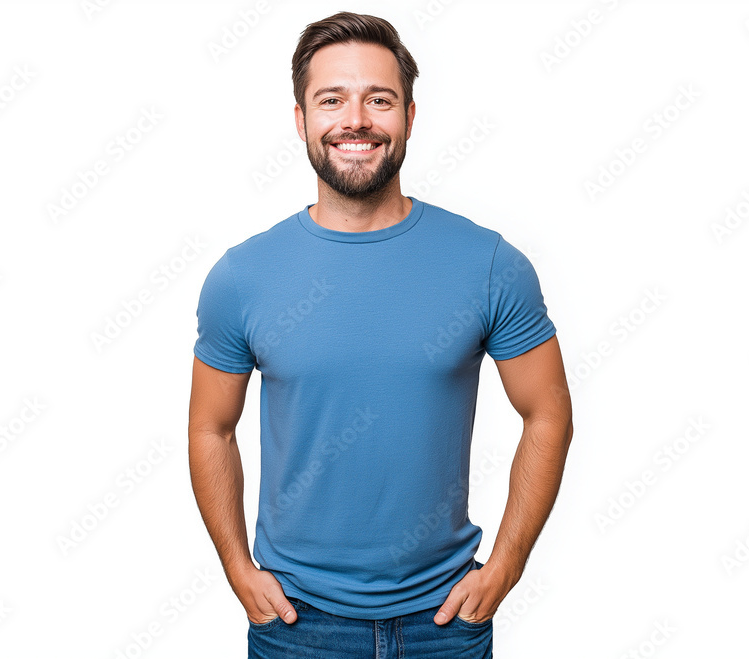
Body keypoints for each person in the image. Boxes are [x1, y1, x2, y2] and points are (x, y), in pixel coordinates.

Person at [188, 11, 574, 658]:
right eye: (331, 99)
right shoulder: (243, 275)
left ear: (410, 117)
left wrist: (506, 563)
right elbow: (210, 427)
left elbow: (548, 412)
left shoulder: (488, 264)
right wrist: (236, 566)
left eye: (379, 99)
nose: (356, 119)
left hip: (445, 623)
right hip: (295, 623)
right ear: (301, 119)